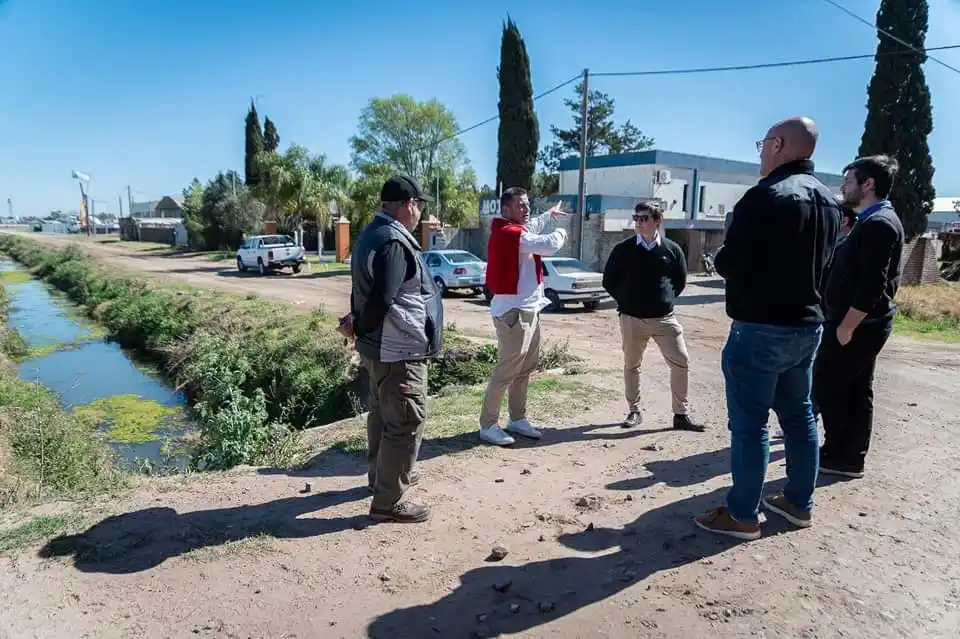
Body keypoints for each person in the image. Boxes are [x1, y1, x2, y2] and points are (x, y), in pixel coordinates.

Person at [694, 116, 841, 540]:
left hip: (760, 329)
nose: (759, 151)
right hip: (807, 329)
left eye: (762, 143)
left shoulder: (764, 197)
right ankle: (799, 502)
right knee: (799, 418)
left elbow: (731, 263)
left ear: (777, 144)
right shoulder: (830, 202)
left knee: (750, 425)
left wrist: (721, 255)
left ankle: (741, 514)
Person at [339, 174, 443, 524]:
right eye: (418, 205)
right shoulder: (394, 242)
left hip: (379, 347)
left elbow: (368, 292)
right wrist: (361, 324)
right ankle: (389, 500)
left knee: (383, 416)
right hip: (398, 349)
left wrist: (357, 323)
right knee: (406, 420)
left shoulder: (370, 235)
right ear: (406, 205)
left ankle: (381, 478)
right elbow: (384, 298)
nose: (419, 212)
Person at [813, 155, 904, 479]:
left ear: (868, 184)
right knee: (855, 390)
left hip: (859, 326)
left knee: (828, 387)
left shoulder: (879, 224)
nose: (843, 187)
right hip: (860, 325)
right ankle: (847, 456)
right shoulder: (874, 219)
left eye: (849, 181)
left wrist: (847, 327)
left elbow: (873, 285)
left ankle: (841, 453)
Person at [602, 200, 705, 432]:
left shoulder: (672, 249)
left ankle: (680, 415)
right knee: (632, 365)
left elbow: (679, 281)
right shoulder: (623, 249)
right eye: (636, 217)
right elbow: (609, 280)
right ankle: (634, 411)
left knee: (681, 362)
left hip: (664, 319)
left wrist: (664, 300)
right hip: (632, 320)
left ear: (657, 221)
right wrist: (627, 301)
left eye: (644, 218)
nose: (638, 222)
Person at [478, 188, 567, 446]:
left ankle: (517, 419)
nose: (526, 210)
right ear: (506, 211)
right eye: (520, 206)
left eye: (527, 205)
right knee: (506, 371)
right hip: (514, 313)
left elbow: (533, 224)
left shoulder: (519, 230)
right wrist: (561, 231)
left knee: (524, 369)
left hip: (529, 310)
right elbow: (549, 245)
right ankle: (488, 425)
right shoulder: (511, 234)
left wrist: (549, 214)